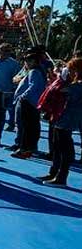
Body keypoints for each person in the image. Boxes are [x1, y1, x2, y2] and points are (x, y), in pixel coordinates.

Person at [38, 55, 82, 187]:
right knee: (56, 144)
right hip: (61, 115)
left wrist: (59, 79)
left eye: (72, 69)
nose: (69, 72)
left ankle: (61, 176)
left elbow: (61, 90)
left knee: (64, 146)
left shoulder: (78, 85)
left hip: (68, 117)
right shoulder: (73, 83)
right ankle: (54, 172)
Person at [11, 50, 46, 159]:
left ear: (34, 61)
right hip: (33, 103)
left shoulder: (34, 72)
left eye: (28, 61)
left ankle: (24, 149)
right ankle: (27, 148)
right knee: (31, 127)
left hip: (28, 103)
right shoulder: (39, 71)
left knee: (26, 127)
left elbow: (33, 86)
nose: (26, 63)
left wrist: (23, 96)